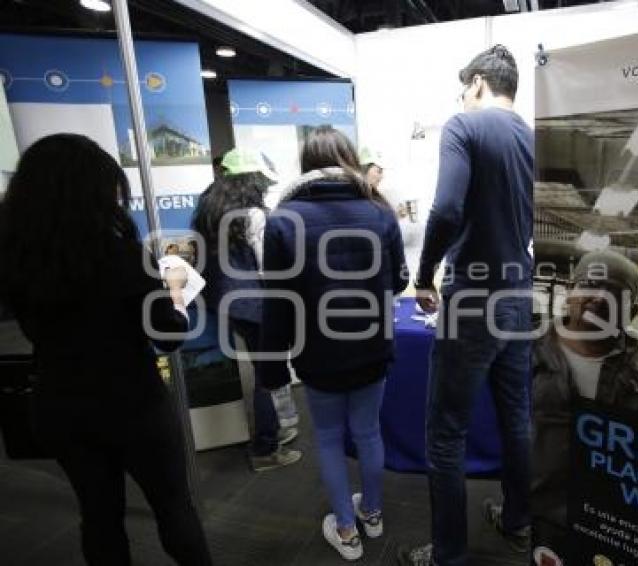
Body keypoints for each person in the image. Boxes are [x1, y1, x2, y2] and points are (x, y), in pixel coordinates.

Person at [0, 134, 212, 566]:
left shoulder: (14, 257)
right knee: (173, 509)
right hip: (134, 405)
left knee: (98, 517)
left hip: (58, 404)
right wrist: (173, 292)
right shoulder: (123, 257)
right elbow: (168, 336)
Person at [398, 45, 534, 566]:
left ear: (478, 83)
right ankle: (520, 521)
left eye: (464, 88)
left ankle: (448, 556)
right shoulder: (530, 135)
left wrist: (425, 273)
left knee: (446, 434)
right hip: (518, 293)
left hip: (473, 297)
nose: (462, 97)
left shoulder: (464, 125)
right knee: (516, 417)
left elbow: (448, 207)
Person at [259, 126, 408, 561]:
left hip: (318, 352)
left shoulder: (284, 219)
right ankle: (374, 514)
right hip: (373, 347)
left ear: (306, 164)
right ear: (347, 159)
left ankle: (346, 530)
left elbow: (278, 303)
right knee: (368, 431)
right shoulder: (379, 212)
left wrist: (271, 368)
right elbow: (399, 281)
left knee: (326, 438)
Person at [531, 250, 638, 557]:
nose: (599, 298)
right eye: (589, 286)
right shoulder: (529, 347)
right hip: (537, 510)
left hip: (611, 520)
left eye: (615, 292)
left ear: (631, 309)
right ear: (570, 291)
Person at [192, 148, 301, 472]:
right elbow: (269, 268)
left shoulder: (209, 210)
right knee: (268, 374)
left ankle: (276, 430)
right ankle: (266, 448)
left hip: (227, 302)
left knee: (261, 368)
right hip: (255, 304)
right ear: (250, 180)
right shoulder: (253, 215)